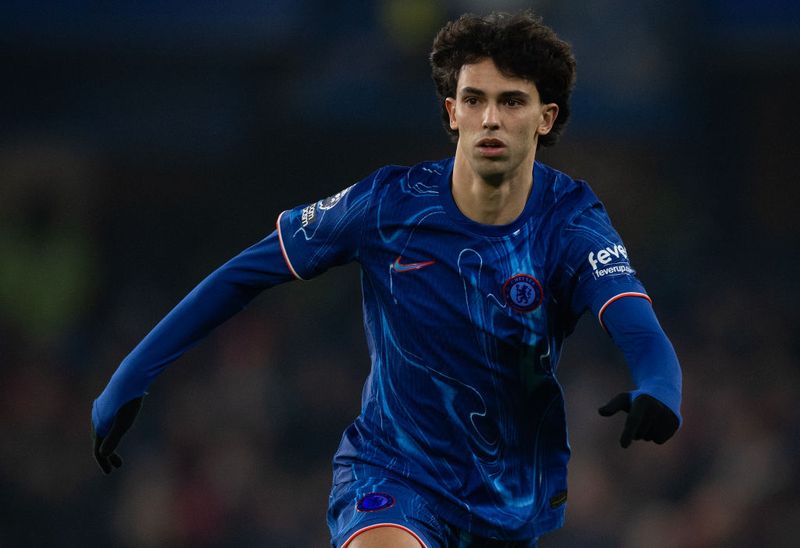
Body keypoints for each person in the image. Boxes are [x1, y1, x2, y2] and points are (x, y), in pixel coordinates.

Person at [92, 11, 682, 548]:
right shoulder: (388, 203)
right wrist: (130, 376)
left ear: (545, 117)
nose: (490, 119)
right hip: (392, 474)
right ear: (451, 112)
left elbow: (635, 324)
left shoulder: (571, 220)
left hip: (508, 501)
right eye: (473, 99)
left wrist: (660, 387)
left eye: (512, 101)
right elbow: (243, 275)